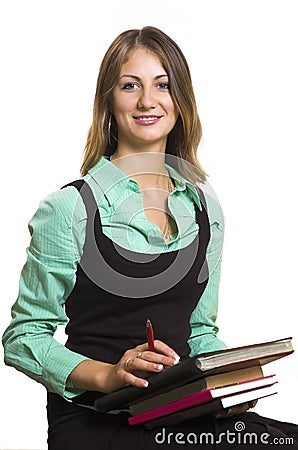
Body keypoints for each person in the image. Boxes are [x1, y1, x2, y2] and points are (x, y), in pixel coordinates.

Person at [2, 26, 298, 449]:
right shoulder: (68, 209)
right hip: (98, 422)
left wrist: (227, 380)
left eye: (162, 85)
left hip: (180, 414)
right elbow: (23, 338)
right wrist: (107, 375)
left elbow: (199, 330)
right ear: (109, 101)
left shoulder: (204, 209)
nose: (147, 101)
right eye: (130, 85)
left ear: (180, 100)